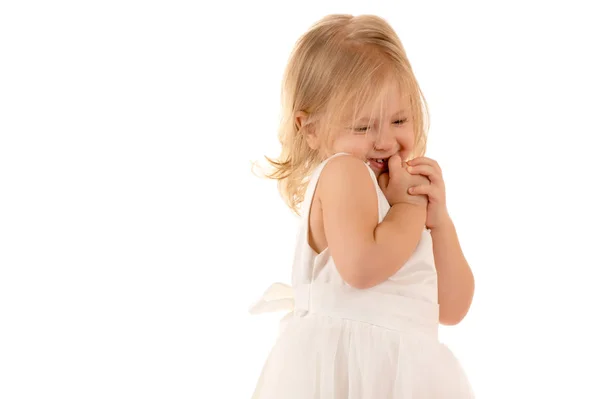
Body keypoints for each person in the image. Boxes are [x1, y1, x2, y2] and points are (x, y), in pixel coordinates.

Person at [249, 13, 475, 398]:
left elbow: (450, 309)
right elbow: (362, 268)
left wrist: (440, 223)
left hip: (404, 374)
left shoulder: (400, 194)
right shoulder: (345, 173)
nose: (385, 141)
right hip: (348, 371)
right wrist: (406, 207)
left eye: (399, 120)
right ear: (312, 129)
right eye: (362, 127)